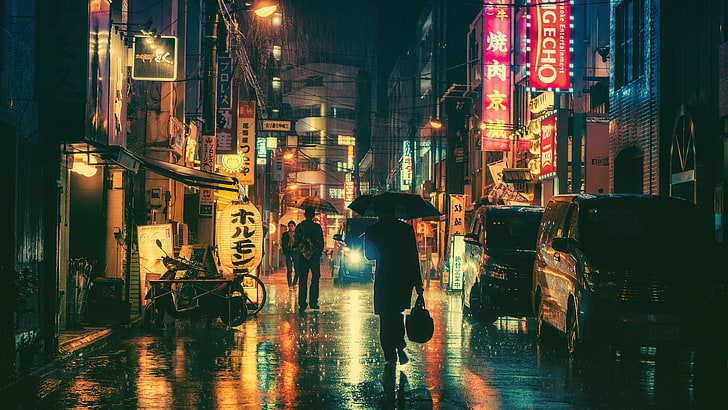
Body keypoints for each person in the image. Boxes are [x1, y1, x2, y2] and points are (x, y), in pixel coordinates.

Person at [364, 200, 423, 365]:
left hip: (384, 278)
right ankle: (400, 346)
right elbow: (413, 256)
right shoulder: (405, 229)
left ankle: (390, 353)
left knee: (385, 316)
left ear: (377, 212)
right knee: (397, 313)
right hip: (403, 279)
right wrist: (418, 283)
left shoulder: (372, 231)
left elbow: (369, 256)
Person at [293, 207, 324, 313]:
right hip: (314, 256)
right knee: (315, 278)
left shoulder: (300, 227)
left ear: (305, 215)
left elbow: (295, 240)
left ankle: (302, 303)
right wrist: (318, 252)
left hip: (302, 256)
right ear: (313, 216)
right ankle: (313, 302)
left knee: (303, 279)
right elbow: (321, 242)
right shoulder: (317, 227)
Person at [281, 221, 298, 287]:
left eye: (292, 226)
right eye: (289, 226)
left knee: (297, 269)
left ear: (294, 226)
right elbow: (283, 244)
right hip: (288, 252)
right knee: (289, 269)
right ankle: (290, 283)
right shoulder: (285, 234)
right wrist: (285, 251)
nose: (290, 227)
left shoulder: (297, 235)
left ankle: (294, 282)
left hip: (296, 253)